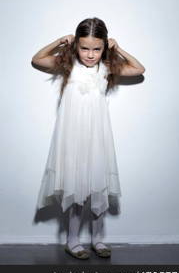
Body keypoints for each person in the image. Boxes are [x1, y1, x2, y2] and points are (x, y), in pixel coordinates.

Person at [31, 17, 145, 260]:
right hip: (71, 138)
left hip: (97, 136)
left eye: (97, 48)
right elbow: (37, 59)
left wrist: (119, 49)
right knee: (76, 185)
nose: (90, 54)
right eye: (85, 48)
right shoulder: (68, 65)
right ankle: (72, 240)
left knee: (97, 186)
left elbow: (139, 69)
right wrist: (58, 42)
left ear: (104, 47)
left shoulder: (106, 68)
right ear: (76, 46)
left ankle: (98, 239)